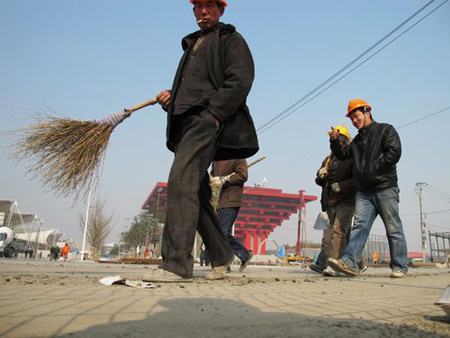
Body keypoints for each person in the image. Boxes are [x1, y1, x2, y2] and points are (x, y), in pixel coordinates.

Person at [142, 0, 258, 283]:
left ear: (221, 10)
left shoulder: (230, 39)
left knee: (180, 180)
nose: (204, 11)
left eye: (210, 6)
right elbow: (194, 88)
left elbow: (240, 80)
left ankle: (177, 263)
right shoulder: (192, 46)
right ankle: (220, 254)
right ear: (193, 10)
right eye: (198, 6)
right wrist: (171, 98)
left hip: (206, 121)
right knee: (194, 190)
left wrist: (215, 115)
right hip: (184, 124)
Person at [327, 99, 408, 278]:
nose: (355, 121)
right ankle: (350, 263)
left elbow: (394, 151)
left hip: (385, 187)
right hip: (364, 191)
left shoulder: (386, 130)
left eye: (356, 116)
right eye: (352, 119)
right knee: (359, 227)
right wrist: (334, 142)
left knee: (393, 227)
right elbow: (343, 154)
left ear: (367, 112)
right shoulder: (356, 141)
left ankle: (399, 266)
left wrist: (374, 169)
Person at [309, 126, 358, 277]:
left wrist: (342, 186)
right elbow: (320, 180)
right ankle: (357, 263)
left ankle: (333, 265)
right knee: (341, 233)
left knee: (337, 231)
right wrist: (321, 176)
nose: (334, 137)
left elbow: (358, 179)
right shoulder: (328, 159)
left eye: (337, 135)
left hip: (346, 200)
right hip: (330, 202)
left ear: (344, 138)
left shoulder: (352, 156)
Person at [211, 159, 253, 272]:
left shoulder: (238, 157)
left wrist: (225, 180)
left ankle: (225, 262)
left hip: (231, 201)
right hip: (217, 202)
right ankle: (239, 257)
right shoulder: (216, 159)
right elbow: (212, 175)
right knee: (216, 233)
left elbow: (243, 175)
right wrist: (212, 179)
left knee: (223, 232)